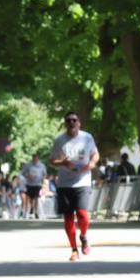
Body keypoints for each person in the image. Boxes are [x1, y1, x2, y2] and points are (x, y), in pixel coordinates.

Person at [49, 111, 100, 261]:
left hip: (83, 181)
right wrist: (62, 163)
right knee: (68, 218)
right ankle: (74, 250)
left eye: (74, 120)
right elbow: (51, 160)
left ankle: (83, 236)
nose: (71, 123)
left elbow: (96, 154)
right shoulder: (60, 140)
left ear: (79, 123)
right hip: (65, 183)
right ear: (65, 123)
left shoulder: (87, 137)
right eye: (68, 121)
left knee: (83, 214)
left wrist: (91, 164)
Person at [21, 153, 47, 219]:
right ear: (32, 158)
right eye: (34, 158)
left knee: (36, 198)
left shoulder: (42, 166)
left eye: (36, 158)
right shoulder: (28, 165)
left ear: (38, 158)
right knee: (28, 198)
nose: (35, 159)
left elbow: (44, 174)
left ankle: (36, 212)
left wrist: (43, 182)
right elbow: (23, 173)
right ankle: (26, 212)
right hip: (29, 184)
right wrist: (28, 176)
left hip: (38, 184)